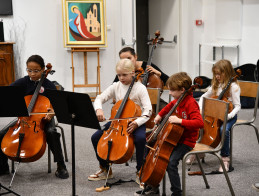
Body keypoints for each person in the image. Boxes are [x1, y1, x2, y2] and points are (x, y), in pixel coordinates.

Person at [0, 55, 69, 179]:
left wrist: (52, 112)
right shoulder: (23, 82)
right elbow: (7, 93)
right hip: (24, 119)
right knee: (1, 134)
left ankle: (61, 165)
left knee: (52, 132)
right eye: (29, 70)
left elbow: (59, 105)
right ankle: (3, 166)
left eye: (36, 71)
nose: (32, 73)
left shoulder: (49, 85)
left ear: (43, 70)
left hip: (44, 118)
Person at [135, 72, 204, 196]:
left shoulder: (191, 103)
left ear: (182, 90)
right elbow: (168, 107)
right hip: (174, 138)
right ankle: (152, 187)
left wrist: (180, 121)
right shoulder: (178, 100)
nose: (170, 93)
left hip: (186, 141)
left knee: (171, 163)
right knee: (150, 147)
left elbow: (199, 123)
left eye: (172, 90)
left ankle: (176, 192)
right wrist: (160, 115)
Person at [88, 58, 152, 185]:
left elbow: (148, 111)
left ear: (133, 73)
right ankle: (105, 168)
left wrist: (137, 123)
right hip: (117, 122)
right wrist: (99, 109)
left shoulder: (140, 88)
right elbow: (100, 98)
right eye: (119, 75)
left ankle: (140, 170)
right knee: (95, 137)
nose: (121, 78)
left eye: (124, 75)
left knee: (140, 139)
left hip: (136, 121)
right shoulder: (116, 86)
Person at [190, 59, 240, 172]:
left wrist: (229, 116)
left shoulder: (234, 87)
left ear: (227, 72)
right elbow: (204, 96)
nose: (217, 76)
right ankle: (200, 151)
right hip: (215, 115)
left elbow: (237, 106)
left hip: (229, 115)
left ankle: (225, 159)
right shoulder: (216, 85)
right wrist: (201, 108)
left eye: (219, 74)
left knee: (224, 130)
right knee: (200, 125)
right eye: (215, 74)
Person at [114, 47, 169, 111]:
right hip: (131, 101)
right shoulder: (123, 71)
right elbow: (114, 87)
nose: (127, 62)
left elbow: (169, 81)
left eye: (129, 58)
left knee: (167, 111)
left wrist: (159, 73)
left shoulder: (148, 66)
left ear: (135, 57)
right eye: (123, 60)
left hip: (152, 100)